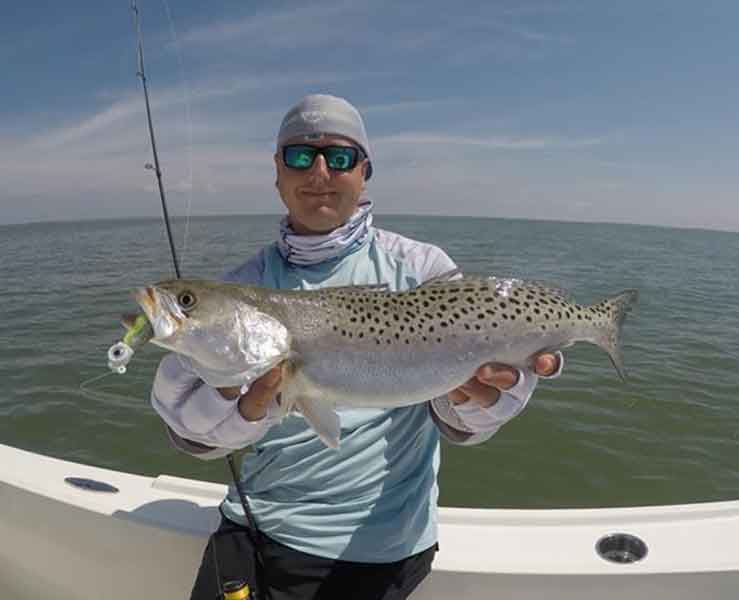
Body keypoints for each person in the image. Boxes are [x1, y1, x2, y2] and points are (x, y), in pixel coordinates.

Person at [151, 94, 564, 600]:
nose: (319, 172)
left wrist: (485, 396)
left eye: (340, 157)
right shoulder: (245, 284)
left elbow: (466, 424)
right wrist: (237, 404)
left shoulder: (421, 269)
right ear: (277, 172)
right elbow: (191, 437)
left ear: (364, 171)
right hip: (252, 526)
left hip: (379, 549)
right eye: (300, 156)